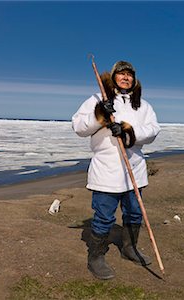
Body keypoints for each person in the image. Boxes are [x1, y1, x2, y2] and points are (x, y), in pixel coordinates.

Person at [72, 61, 160, 280]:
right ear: (113, 77)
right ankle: (96, 257)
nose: (125, 77)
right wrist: (100, 114)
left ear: (134, 79)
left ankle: (130, 248)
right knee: (103, 216)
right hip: (107, 170)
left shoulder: (144, 106)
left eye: (129, 74)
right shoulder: (97, 98)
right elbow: (79, 126)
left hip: (135, 170)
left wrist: (128, 130)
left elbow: (152, 130)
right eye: (121, 74)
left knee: (134, 212)